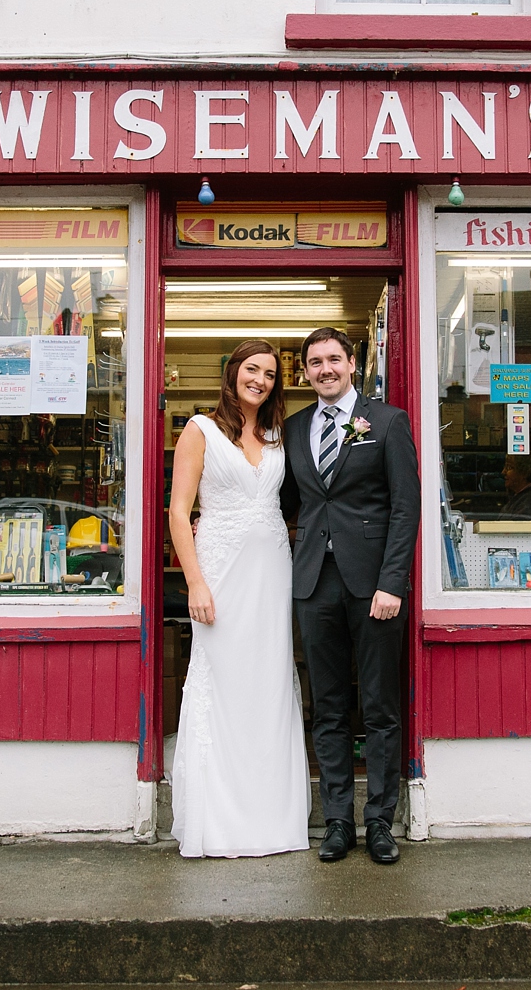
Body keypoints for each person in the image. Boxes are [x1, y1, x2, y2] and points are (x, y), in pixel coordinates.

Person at [280, 326, 421, 866]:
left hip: (374, 585)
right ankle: (338, 819)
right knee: (331, 707)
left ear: (353, 363)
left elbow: (405, 509)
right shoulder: (294, 428)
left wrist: (393, 582)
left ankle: (379, 820)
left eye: (333, 359)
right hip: (315, 582)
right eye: (315, 363)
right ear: (306, 371)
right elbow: (290, 501)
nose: (325, 370)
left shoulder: (386, 421)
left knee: (380, 706)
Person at [165, 341, 310, 858]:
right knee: (222, 684)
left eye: (270, 374)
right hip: (220, 574)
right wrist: (196, 583)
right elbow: (178, 514)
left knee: (269, 684)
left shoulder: (278, 436)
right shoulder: (199, 430)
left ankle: (272, 816)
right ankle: (219, 819)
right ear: (232, 373)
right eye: (252, 370)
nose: (261, 380)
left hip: (271, 572)